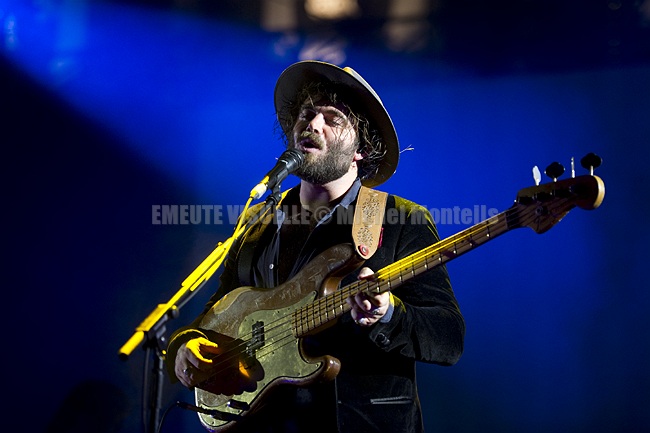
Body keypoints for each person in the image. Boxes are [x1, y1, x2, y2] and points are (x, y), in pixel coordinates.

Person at [165, 60, 465, 433]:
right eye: (306, 114)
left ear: (361, 148)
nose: (313, 124)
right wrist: (185, 344)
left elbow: (449, 338)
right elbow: (220, 310)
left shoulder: (400, 219)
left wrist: (389, 313)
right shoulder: (258, 222)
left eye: (332, 119)